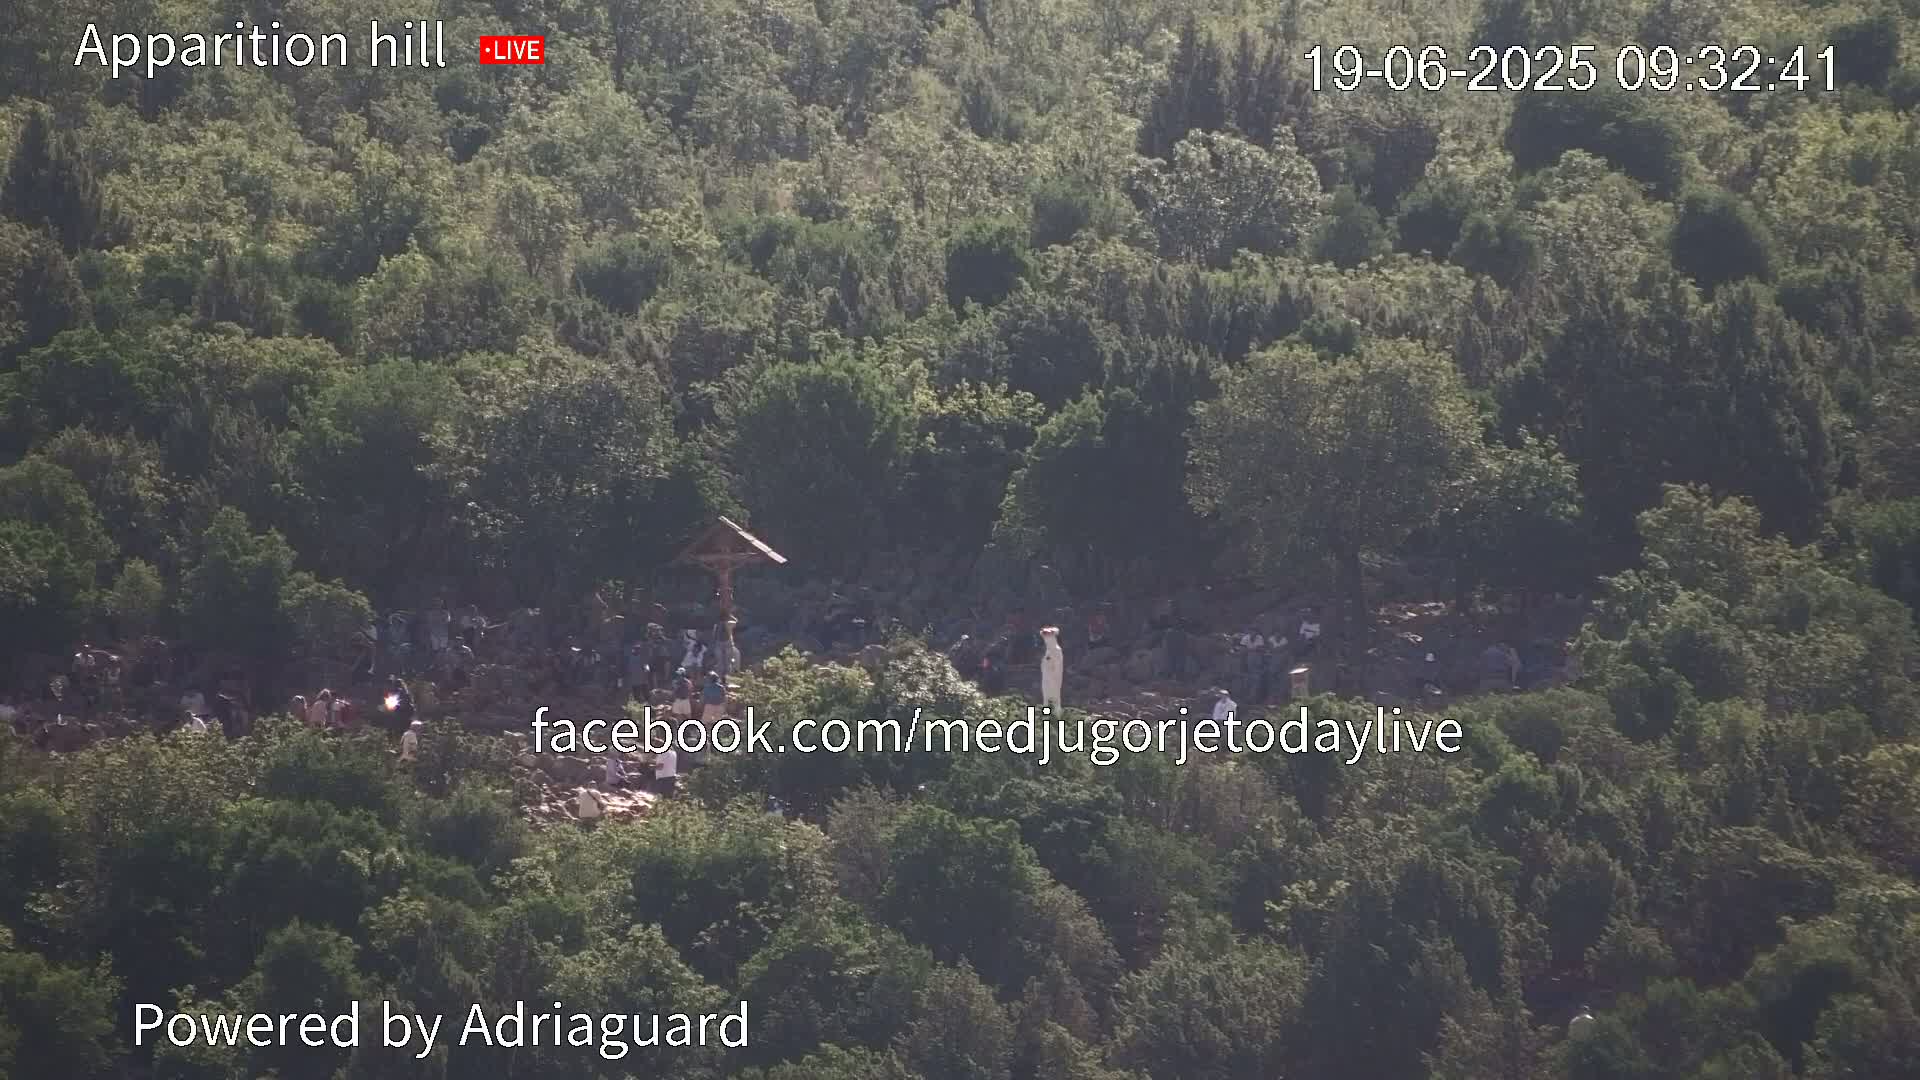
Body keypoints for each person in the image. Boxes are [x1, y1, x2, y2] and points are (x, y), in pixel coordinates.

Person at [1039, 627, 1064, 713]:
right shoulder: (1048, 650)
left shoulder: (1057, 650)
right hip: (1046, 680)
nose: (1047, 639)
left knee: (1054, 701)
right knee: (1046, 700)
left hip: (1053, 680)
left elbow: (1057, 669)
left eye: (1049, 637)